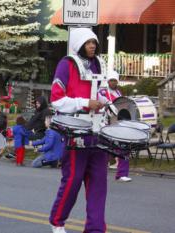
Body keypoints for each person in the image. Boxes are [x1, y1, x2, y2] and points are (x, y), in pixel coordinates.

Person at [49, 27, 108, 233]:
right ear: (79, 44)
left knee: (99, 184)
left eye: (94, 43)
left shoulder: (99, 63)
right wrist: (85, 103)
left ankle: (95, 229)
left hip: (98, 132)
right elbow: (57, 100)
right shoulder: (66, 65)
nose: (92, 46)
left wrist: (104, 101)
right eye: (88, 42)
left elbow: (102, 91)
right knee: (73, 181)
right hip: (76, 133)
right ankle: (57, 221)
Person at [98, 71, 132, 182]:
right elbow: (99, 105)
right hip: (105, 124)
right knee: (102, 149)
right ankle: (97, 173)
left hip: (118, 123)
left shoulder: (118, 92)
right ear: (108, 81)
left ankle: (122, 174)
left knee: (123, 147)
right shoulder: (102, 92)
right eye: (111, 80)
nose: (113, 82)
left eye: (115, 81)